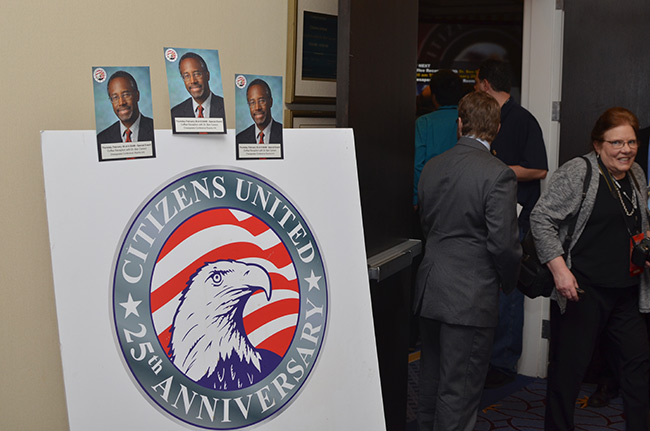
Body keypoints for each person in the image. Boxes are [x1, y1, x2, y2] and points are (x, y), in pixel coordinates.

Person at [530, 107, 650, 431]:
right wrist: (559, 271)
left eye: (631, 142)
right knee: (568, 373)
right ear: (598, 144)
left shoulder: (637, 173)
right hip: (583, 290)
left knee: (638, 367)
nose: (626, 149)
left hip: (626, 292)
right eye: (616, 143)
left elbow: (637, 223)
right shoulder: (578, 172)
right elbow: (541, 218)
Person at [414, 91, 521, 431]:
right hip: (470, 297)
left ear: (460, 124)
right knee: (458, 393)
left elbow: (428, 224)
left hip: (431, 290)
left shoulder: (433, 166)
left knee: (429, 384)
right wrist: (508, 282)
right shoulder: (498, 174)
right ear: (497, 128)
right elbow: (503, 244)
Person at [475, 59, 548, 387]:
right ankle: (484, 358)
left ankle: (503, 364)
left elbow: (539, 169)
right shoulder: (486, 121)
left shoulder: (523, 120)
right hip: (486, 216)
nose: (476, 89)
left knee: (509, 291)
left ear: (486, 84)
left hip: (516, 218)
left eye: (477, 83)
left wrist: (497, 169)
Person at [413, 69, 464, 208]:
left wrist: (416, 198)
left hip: (431, 197)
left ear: (434, 97)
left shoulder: (424, 122)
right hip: (463, 195)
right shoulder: (467, 119)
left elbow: (418, 165)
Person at [170, 52, 226, 133]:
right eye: (187, 76)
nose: (193, 81)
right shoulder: (175, 114)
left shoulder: (226, 108)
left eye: (197, 74)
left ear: (207, 76)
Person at [97, 71, 154, 144]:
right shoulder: (102, 139)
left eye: (126, 95)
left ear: (137, 96)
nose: (121, 103)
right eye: (115, 97)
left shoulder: (156, 130)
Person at [236, 79, 283, 144]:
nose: (257, 107)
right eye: (252, 102)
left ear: (271, 102)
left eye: (261, 101)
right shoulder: (240, 139)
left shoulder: (284, 134)